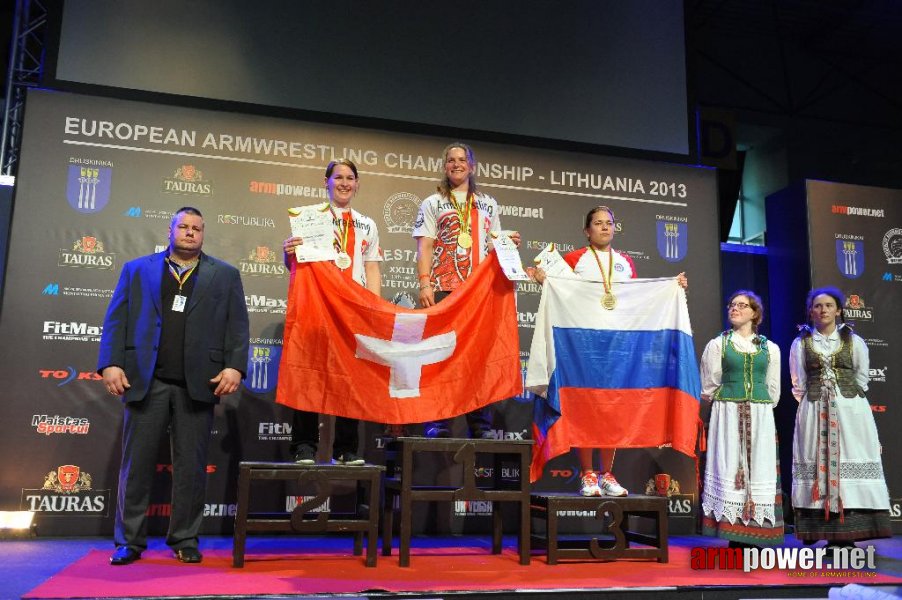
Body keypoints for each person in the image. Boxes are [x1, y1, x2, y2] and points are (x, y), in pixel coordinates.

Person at [97, 207, 249, 566]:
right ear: (171, 230)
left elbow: (238, 327)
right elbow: (116, 319)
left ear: (203, 234)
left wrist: (235, 367)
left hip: (198, 385)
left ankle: (184, 538)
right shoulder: (137, 270)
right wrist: (110, 363)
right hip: (145, 381)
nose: (190, 233)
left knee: (192, 468)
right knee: (135, 466)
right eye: (183, 226)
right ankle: (129, 542)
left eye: (197, 228)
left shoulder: (225, 275)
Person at [534, 205, 687, 497]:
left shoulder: (625, 262)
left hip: (618, 346)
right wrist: (544, 280)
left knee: (613, 409)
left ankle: (607, 474)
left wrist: (672, 287)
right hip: (583, 345)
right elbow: (558, 292)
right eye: (598, 223)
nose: (604, 228)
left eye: (609, 223)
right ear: (587, 230)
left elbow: (634, 299)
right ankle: (588, 474)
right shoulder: (574, 260)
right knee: (586, 408)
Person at [412, 142, 520, 439]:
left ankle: (480, 424)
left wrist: (509, 243)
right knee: (441, 356)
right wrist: (425, 282)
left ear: (472, 166)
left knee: (478, 358)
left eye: (462, 160)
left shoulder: (488, 204)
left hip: (478, 291)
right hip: (444, 288)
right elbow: (425, 245)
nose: (456, 164)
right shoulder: (432, 202)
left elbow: (492, 244)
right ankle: (438, 421)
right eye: (451, 160)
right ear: (445, 166)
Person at [282, 158, 383, 465]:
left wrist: (374, 308)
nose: (343, 182)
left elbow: (372, 268)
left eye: (350, 177)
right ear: (325, 182)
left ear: (357, 184)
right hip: (317, 306)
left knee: (351, 378)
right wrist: (288, 254)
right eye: (337, 177)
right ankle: (304, 446)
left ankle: (347, 448)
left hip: (353, 310)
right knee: (309, 374)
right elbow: (296, 265)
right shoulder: (309, 217)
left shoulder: (368, 224)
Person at [790, 287, 891, 548]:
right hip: (814, 412)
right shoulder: (801, 342)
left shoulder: (853, 341)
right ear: (811, 311)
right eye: (817, 306)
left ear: (838, 310)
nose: (823, 310)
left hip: (850, 413)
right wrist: (816, 402)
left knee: (849, 458)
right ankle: (824, 532)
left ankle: (849, 534)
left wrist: (841, 399)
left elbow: (861, 378)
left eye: (828, 305)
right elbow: (798, 383)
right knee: (816, 462)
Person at [699, 290, 784, 548]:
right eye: (732, 305)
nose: (734, 309)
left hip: (760, 413)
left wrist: (759, 406)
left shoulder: (770, 348)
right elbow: (710, 385)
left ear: (754, 313)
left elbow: (773, 389)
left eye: (741, 305)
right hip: (728, 411)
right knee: (729, 466)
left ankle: (757, 532)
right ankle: (733, 533)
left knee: (759, 468)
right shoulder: (718, 344)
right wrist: (728, 403)